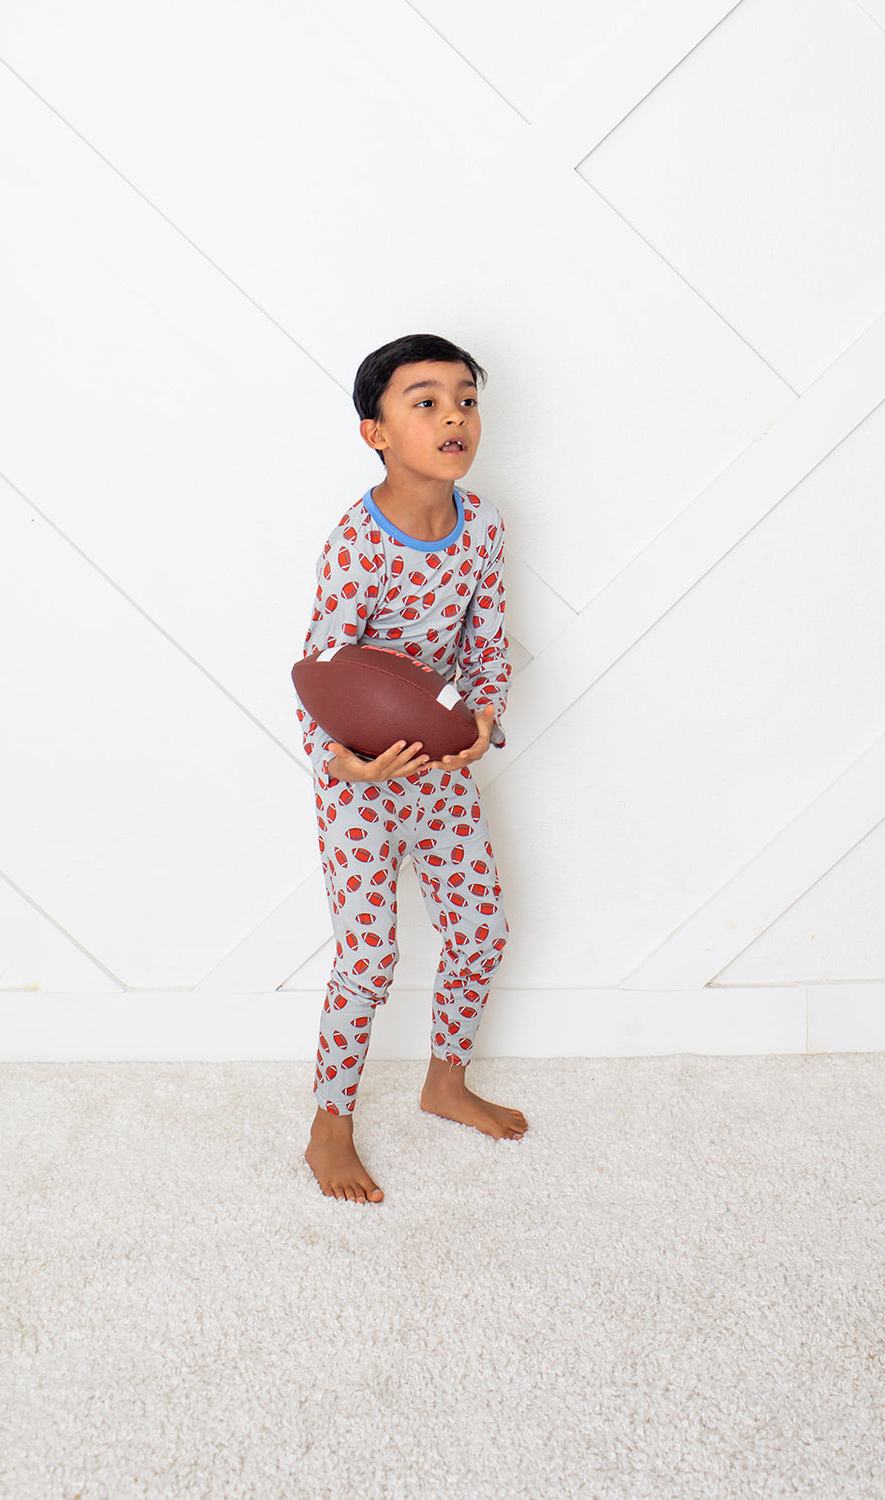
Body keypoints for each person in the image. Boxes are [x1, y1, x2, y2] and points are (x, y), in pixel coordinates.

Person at [295, 332, 528, 1203]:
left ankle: (444, 1081)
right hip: (358, 781)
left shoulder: (484, 527)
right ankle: (329, 1127)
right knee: (369, 958)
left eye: (465, 398)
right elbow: (317, 669)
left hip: (440, 773)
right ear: (377, 432)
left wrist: (485, 720)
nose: (454, 415)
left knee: (481, 933)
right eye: (424, 401)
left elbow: (488, 646)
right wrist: (344, 765)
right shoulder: (357, 543)